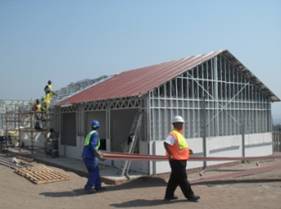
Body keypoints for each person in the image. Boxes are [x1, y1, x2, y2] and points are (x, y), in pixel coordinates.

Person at [163, 115, 200, 202]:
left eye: (182, 124)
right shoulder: (173, 134)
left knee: (174, 179)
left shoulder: (179, 134)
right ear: (174, 124)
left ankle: (169, 195)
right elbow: (166, 143)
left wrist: (188, 150)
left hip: (181, 159)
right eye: (179, 123)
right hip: (176, 160)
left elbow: (181, 146)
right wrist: (171, 154)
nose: (181, 125)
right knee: (183, 178)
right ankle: (190, 196)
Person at [82, 120, 104, 193]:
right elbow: (93, 146)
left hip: (86, 156)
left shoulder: (90, 133)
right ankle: (88, 187)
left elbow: (91, 146)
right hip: (91, 157)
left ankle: (98, 187)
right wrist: (99, 156)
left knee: (96, 172)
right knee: (94, 172)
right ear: (98, 126)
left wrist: (98, 153)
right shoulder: (95, 134)